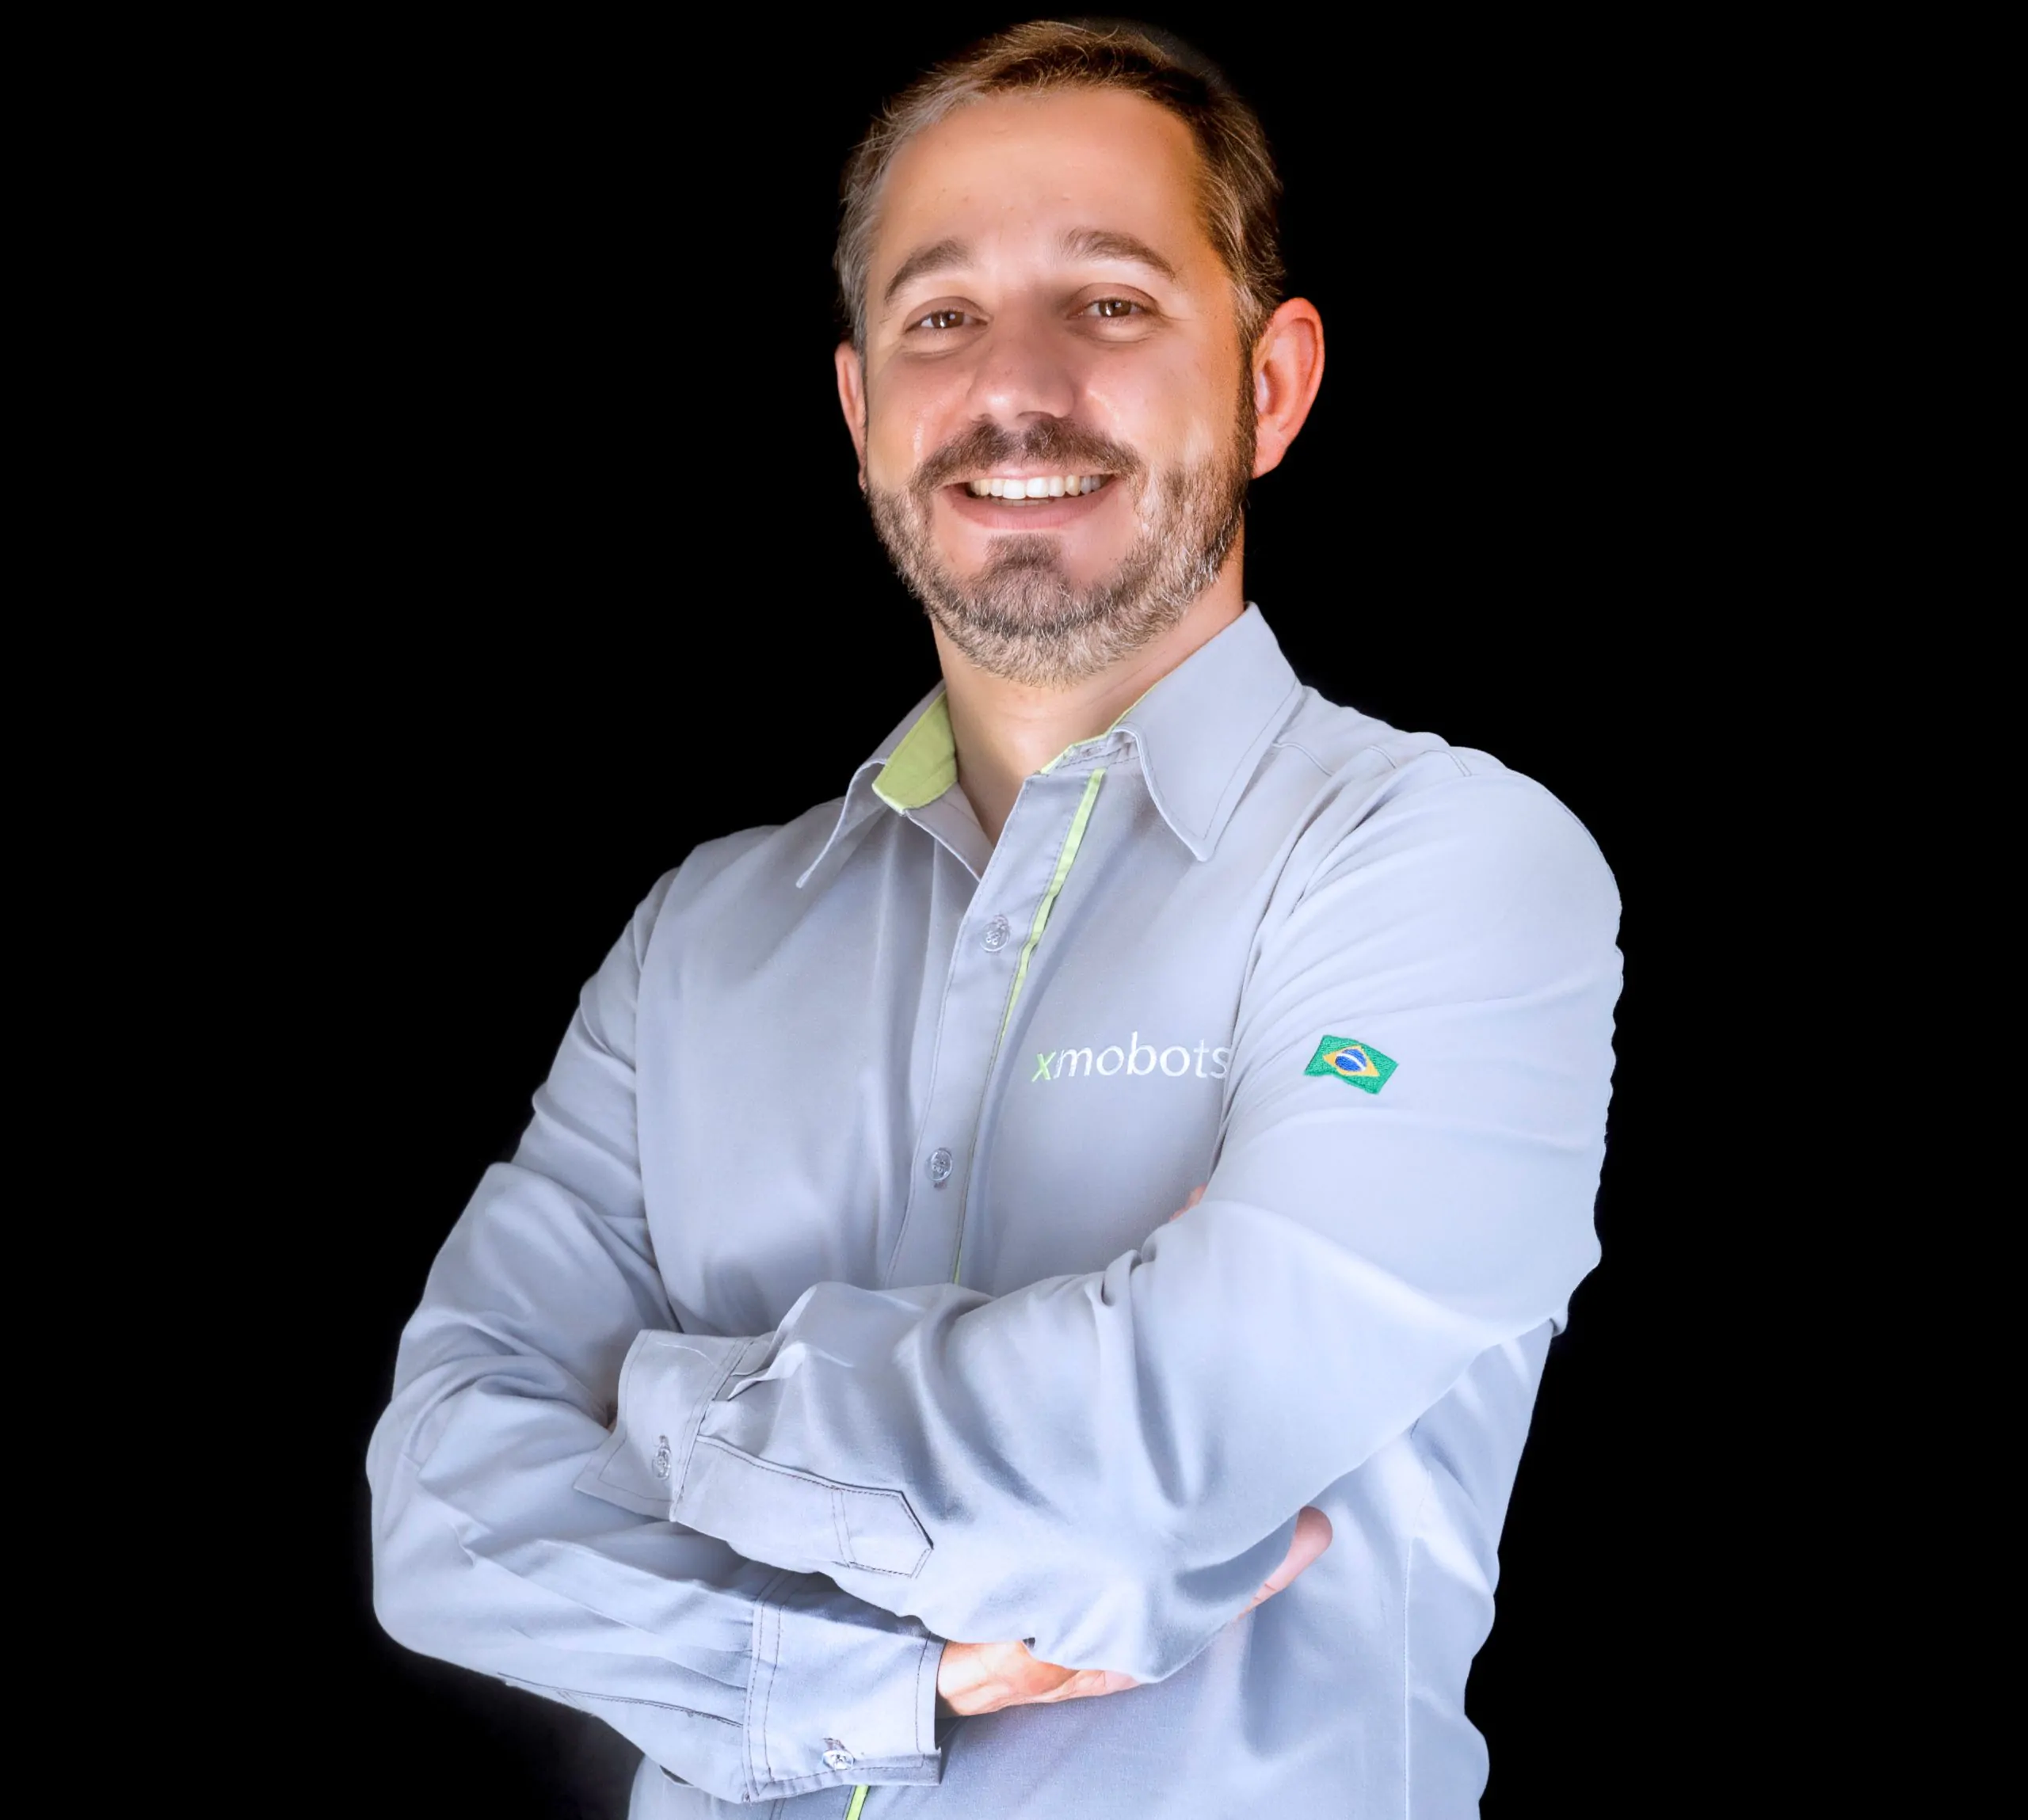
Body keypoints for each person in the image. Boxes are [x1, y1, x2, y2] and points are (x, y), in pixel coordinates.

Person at [367, 20, 1622, 1818]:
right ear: (860, 409)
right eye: (941, 316)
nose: (1015, 387)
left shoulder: (1445, 869)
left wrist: (661, 1405)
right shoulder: (700, 939)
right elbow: (439, 1512)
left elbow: (1137, 1485)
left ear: (1271, 387)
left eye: (1109, 303)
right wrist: (873, 1664)